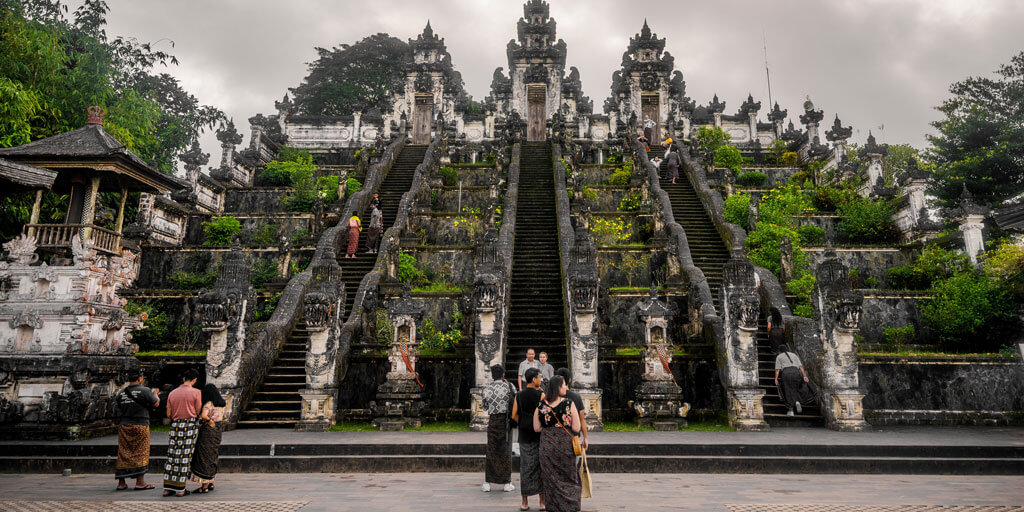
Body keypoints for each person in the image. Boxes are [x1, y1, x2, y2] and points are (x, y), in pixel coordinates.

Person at [533, 375, 581, 512]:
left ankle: (553, 506)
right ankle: (570, 505)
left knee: (550, 478)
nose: (566, 387)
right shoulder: (568, 403)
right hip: (565, 445)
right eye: (564, 384)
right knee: (569, 476)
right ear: (558, 387)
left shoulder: (541, 405)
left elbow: (536, 428)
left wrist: (550, 428)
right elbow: (576, 428)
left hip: (547, 445)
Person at [114, 370, 160, 491]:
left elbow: (118, 407)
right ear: (140, 379)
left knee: (123, 452)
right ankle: (140, 481)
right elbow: (156, 404)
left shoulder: (121, 393)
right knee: (141, 451)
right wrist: (156, 394)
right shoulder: (145, 391)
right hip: (140, 424)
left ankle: (121, 482)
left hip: (124, 425)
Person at [162, 369, 202, 497]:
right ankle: (180, 489)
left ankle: (167, 487)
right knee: (184, 457)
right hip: (189, 426)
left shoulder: (172, 393)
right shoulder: (196, 392)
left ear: (184, 378)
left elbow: (168, 414)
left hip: (175, 426)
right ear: (194, 380)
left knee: (172, 456)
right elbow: (197, 411)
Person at [511, 368, 545, 511]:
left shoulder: (519, 395)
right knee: (540, 467)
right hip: (539, 436)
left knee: (525, 468)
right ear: (533, 379)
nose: (541, 379)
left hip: (524, 435)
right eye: (539, 377)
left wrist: (524, 422)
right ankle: (542, 502)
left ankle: (525, 502)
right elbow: (545, 415)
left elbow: (513, 415)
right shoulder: (541, 395)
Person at [481, 364, 516, 493]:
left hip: (493, 420)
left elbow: (484, 406)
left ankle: (487, 482)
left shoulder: (487, 388)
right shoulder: (509, 386)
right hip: (506, 421)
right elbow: (515, 401)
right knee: (505, 450)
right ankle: (507, 482)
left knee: (491, 450)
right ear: (503, 374)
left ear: (492, 374)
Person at [190, 383, 227, 493]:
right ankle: (211, 481)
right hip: (218, 430)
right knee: (213, 454)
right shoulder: (222, 403)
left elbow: (204, 415)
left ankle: (204, 485)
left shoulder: (209, 404)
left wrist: (209, 421)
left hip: (208, 431)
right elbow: (224, 417)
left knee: (204, 455)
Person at [774, 344, 814, 417]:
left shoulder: (779, 356)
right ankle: (797, 400)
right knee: (797, 388)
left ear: (780, 351)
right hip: (796, 372)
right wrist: (804, 376)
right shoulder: (794, 355)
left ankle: (791, 410)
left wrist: (776, 378)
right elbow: (801, 366)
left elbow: (777, 369)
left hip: (786, 373)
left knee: (788, 390)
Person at [555, 367, 589, 452]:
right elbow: (582, 419)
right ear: (569, 380)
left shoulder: (552, 397)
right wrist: (585, 438)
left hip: (555, 437)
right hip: (573, 436)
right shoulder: (576, 397)